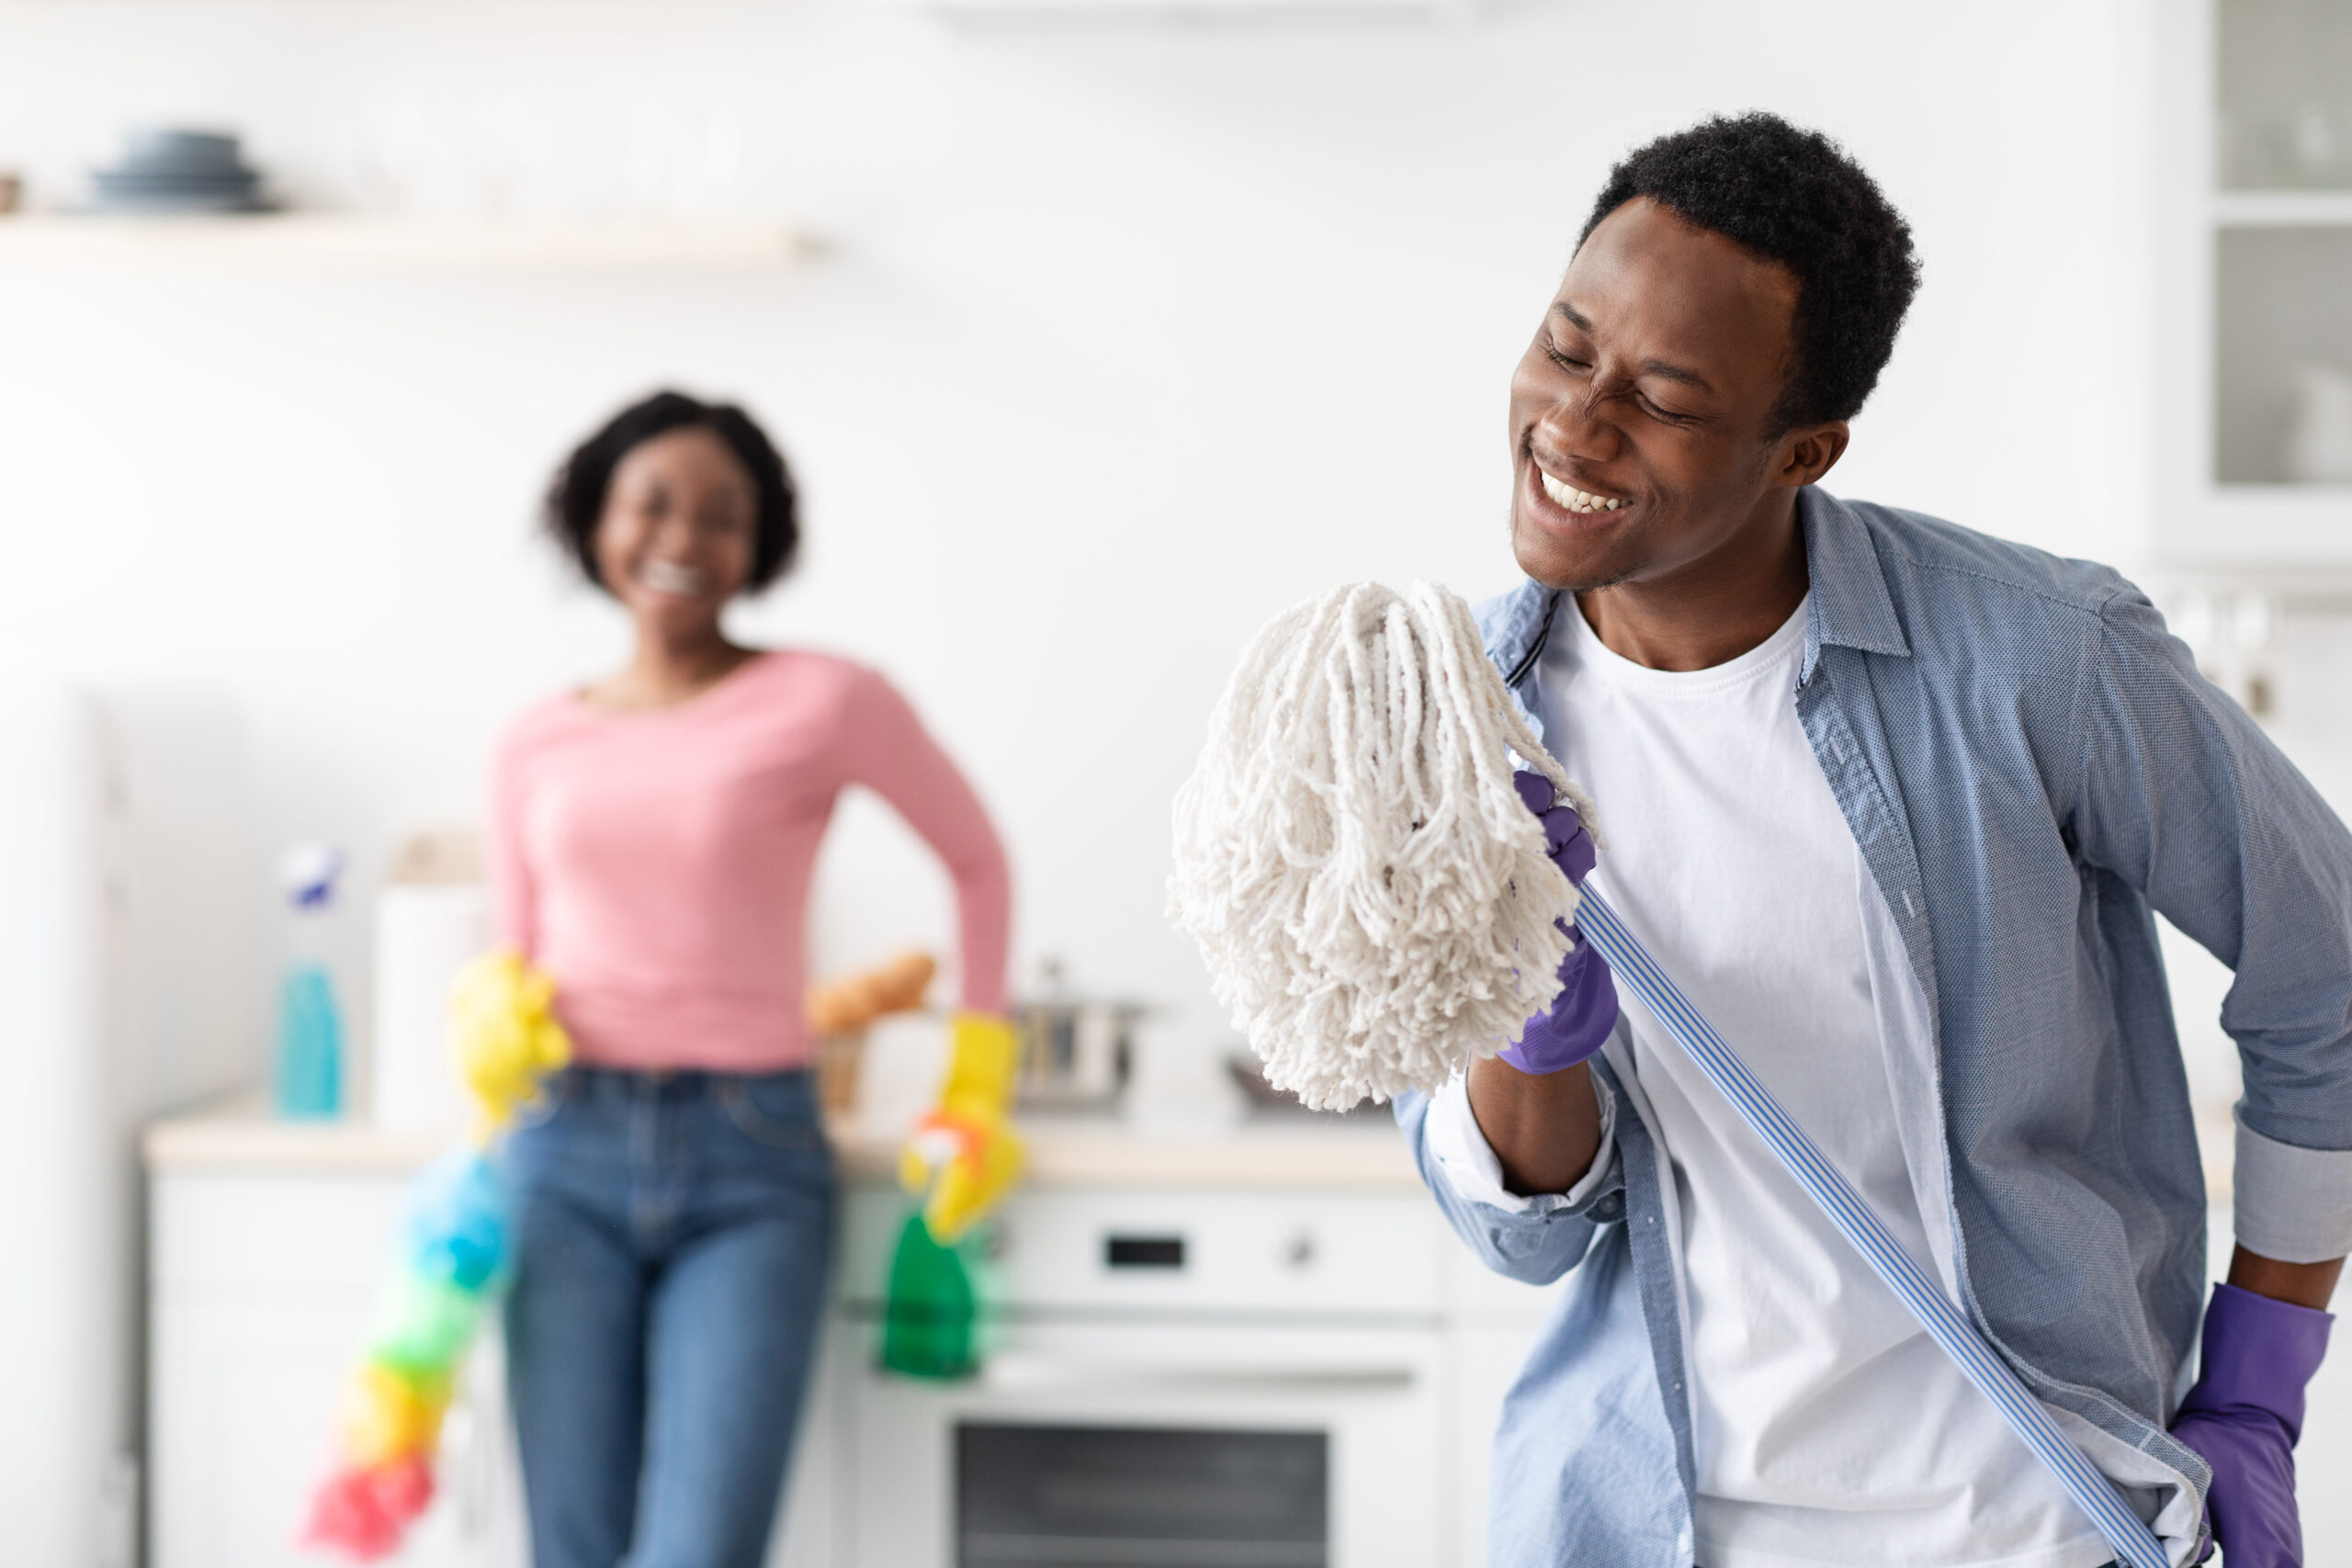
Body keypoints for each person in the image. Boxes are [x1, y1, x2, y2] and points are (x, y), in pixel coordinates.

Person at [1396, 114, 2349, 1568]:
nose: (1577, 425)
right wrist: (1529, 1038)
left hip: (2031, 1520)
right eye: (1569, 345)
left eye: (1663, 394)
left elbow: (2325, 973)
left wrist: (2261, 1386)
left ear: (1806, 449)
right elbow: (1520, 1234)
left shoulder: (2038, 661)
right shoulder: (1458, 722)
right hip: (1645, 1524)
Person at [487, 389, 1012, 1568]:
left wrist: (977, 1074)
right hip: (559, 1150)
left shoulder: (827, 701)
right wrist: (489, 1021)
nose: (682, 539)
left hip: (753, 1159)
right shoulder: (531, 739)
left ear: (759, 542)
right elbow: (514, 955)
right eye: (652, 503)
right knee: (569, 1550)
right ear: (594, 517)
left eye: (721, 515)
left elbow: (976, 861)